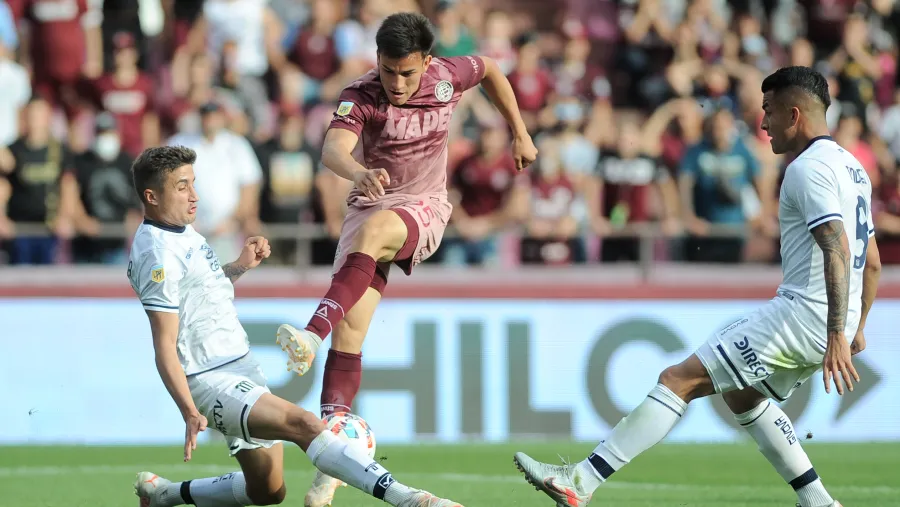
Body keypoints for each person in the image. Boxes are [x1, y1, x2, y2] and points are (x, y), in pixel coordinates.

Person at [512, 66, 880, 507]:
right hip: (830, 319)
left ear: (794, 114)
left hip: (805, 315)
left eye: (768, 112)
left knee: (677, 379)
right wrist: (856, 324)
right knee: (743, 396)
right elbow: (871, 262)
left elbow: (835, 245)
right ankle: (819, 502)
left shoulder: (808, 169)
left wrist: (839, 331)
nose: (762, 124)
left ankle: (581, 481)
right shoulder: (853, 168)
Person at [274, 12, 537, 507]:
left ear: (428, 62)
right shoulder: (361, 93)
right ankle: (332, 464)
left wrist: (518, 130)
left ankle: (310, 332)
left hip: (424, 205)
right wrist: (357, 172)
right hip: (367, 198)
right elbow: (332, 149)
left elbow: (492, 70)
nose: (396, 82)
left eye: (407, 72)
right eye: (389, 70)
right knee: (350, 335)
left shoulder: (448, 77)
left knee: (375, 235)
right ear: (378, 60)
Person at [128, 146, 464, 507]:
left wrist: (240, 265)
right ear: (152, 196)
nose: (194, 195)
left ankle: (166, 494)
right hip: (209, 378)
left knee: (269, 491)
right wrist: (189, 410)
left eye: (193, 184)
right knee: (305, 424)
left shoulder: (182, 232)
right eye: (182, 187)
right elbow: (164, 345)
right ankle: (410, 499)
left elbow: (199, 292)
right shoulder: (157, 255)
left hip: (240, 365)